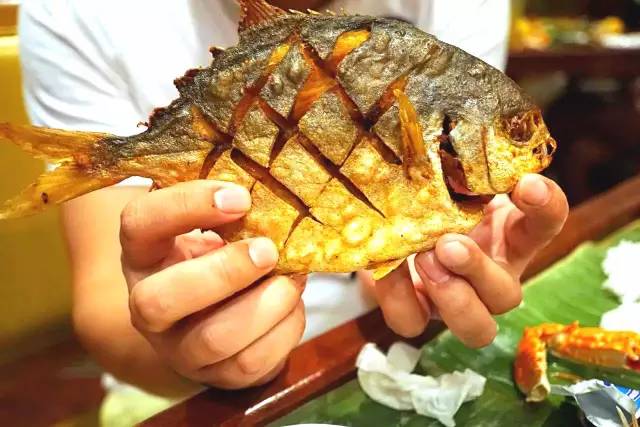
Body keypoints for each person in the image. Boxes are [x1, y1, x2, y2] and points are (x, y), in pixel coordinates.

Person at [19, 0, 569, 422]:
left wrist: (443, 265)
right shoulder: (77, 11)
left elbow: (386, 211)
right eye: (517, 133)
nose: (539, 148)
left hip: (366, 347)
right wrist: (187, 350)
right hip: (175, 396)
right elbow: (105, 307)